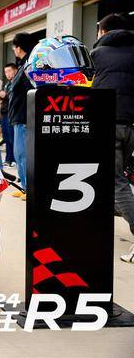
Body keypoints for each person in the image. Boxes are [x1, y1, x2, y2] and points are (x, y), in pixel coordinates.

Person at [90, 13, 134, 258]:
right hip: (130, 127)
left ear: (103, 32)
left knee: (116, 182)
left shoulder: (97, 54)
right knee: (117, 179)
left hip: (107, 123)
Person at [8, 33, 36, 200]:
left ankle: (29, 189)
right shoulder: (24, 64)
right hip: (19, 117)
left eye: (14, 47)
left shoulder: (29, 66)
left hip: (23, 117)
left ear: (19, 48)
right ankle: (25, 187)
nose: (14, 50)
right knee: (20, 154)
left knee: (23, 154)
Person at [0, 63, 17, 167]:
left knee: (12, 137)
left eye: (9, 71)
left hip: (12, 114)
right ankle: (8, 159)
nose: (7, 74)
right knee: (6, 137)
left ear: (15, 70)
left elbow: (14, 98)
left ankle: (14, 159)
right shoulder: (7, 84)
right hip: (4, 113)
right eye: (6, 72)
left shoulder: (16, 83)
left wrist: (5, 96)